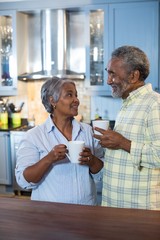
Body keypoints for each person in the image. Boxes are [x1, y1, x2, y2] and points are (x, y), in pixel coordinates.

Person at [15, 77, 104, 205]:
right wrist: (49, 159)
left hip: (87, 211)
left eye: (76, 95)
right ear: (52, 100)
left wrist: (92, 160)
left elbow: (101, 174)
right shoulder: (34, 136)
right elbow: (24, 180)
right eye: (69, 95)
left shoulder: (88, 131)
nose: (76, 100)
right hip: (49, 214)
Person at [94, 45, 160, 210]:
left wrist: (123, 143)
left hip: (139, 210)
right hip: (116, 205)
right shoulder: (127, 103)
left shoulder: (155, 104)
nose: (108, 80)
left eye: (113, 74)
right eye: (108, 73)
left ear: (133, 75)